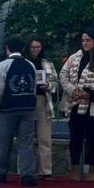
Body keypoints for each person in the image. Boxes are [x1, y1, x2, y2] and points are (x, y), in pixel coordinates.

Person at [59, 28, 94, 183]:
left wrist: (93, 91)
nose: (85, 43)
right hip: (75, 103)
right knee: (75, 137)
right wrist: (72, 90)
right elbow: (63, 75)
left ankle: (93, 168)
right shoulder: (74, 57)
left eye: (88, 40)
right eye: (83, 40)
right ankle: (75, 167)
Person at [0, 37, 39, 187]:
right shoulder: (30, 64)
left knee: (5, 141)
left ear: (7, 48)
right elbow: (34, 86)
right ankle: (27, 174)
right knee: (26, 142)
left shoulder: (2, 65)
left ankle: (0, 172)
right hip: (28, 107)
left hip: (8, 108)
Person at [25, 37, 59, 179]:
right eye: (32, 47)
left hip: (43, 99)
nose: (35, 50)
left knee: (44, 136)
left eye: (38, 47)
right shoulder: (23, 62)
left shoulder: (47, 63)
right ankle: (25, 169)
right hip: (26, 100)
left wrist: (49, 86)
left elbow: (56, 81)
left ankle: (46, 170)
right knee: (25, 137)